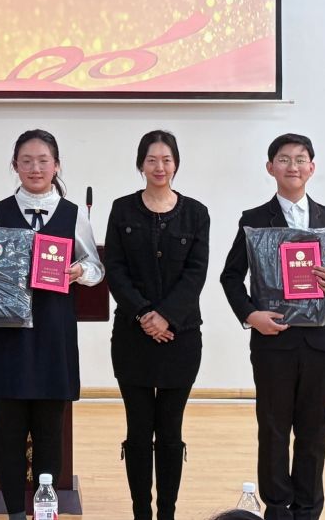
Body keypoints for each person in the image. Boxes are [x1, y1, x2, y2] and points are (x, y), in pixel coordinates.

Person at [0, 129, 103, 520]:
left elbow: (96, 267)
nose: (35, 168)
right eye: (26, 161)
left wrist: (79, 272)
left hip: (54, 334)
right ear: (15, 166)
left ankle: (45, 511)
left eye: (43, 160)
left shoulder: (74, 214)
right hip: (7, 337)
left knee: (51, 430)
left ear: (57, 165)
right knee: (9, 430)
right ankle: (16, 512)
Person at [220, 133, 325, 520]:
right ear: (270, 167)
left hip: (321, 341)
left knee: (314, 430)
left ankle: (309, 509)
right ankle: (277, 508)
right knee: (274, 429)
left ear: (312, 167)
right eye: (283, 159)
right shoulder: (253, 219)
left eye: (300, 159)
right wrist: (251, 316)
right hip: (273, 340)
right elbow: (231, 277)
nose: (292, 166)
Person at [104, 130, 210, 520]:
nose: (159, 167)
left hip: (181, 339)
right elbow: (115, 269)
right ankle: (140, 513)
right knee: (137, 431)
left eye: (166, 159)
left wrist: (166, 316)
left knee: (169, 433)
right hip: (132, 338)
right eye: (152, 160)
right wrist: (145, 314)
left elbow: (196, 273)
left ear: (176, 164)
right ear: (141, 164)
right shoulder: (122, 210)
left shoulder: (196, 213)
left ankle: (167, 512)